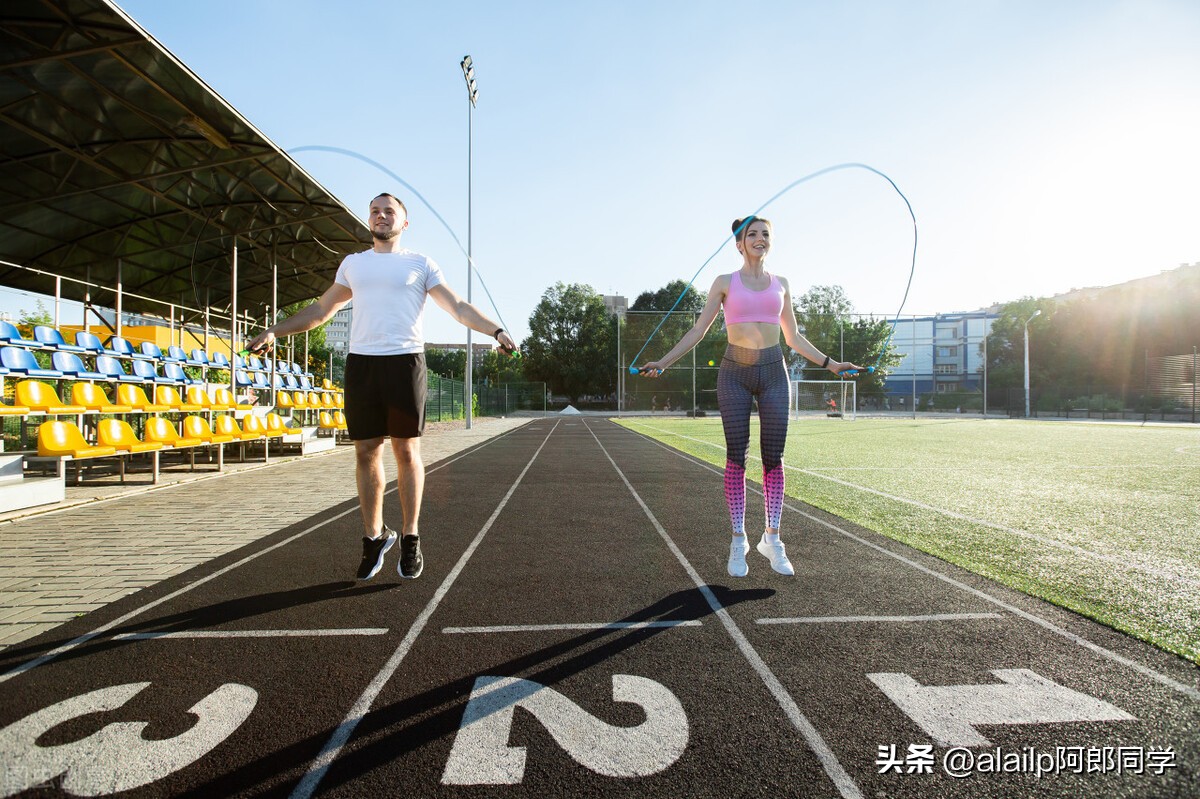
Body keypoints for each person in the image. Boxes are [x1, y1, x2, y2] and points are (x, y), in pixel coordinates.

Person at [247, 193, 517, 581]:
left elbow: (457, 306)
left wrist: (495, 329)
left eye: (390, 211)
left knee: (406, 450)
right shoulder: (353, 265)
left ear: (404, 223)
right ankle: (374, 537)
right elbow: (321, 312)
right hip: (362, 365)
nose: (381, 215)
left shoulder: (421, 264)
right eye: (375, 211)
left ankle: (410, 537)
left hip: (405, 362)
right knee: (366, 452)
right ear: (368, 221)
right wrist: (275, 330)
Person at [639, 216, 862, 578]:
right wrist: (664, 362)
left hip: (775, 372)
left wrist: (831, 364)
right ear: (739, 244)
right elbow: (698, 329)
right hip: (734, 374)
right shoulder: (725, 283)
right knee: (736, 459)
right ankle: (738, 540)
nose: (760, 239)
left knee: (774, 459)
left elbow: (793, 337)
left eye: (765, 234)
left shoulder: (782, 284)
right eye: (752, 235)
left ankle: (772, 539)